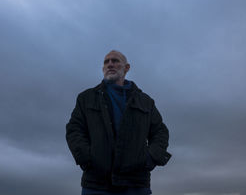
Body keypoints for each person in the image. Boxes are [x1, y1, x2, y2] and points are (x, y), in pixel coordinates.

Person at [66, 50, 171, 195]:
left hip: (136, 184)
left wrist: (149, 158)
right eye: (106, 62)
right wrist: (86, 158)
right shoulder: (86, 98)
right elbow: (74, 129)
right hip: (96, 184)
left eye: (115, 61)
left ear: (126, 68)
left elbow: (160, 132)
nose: (110, 64)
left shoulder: (145, 101)